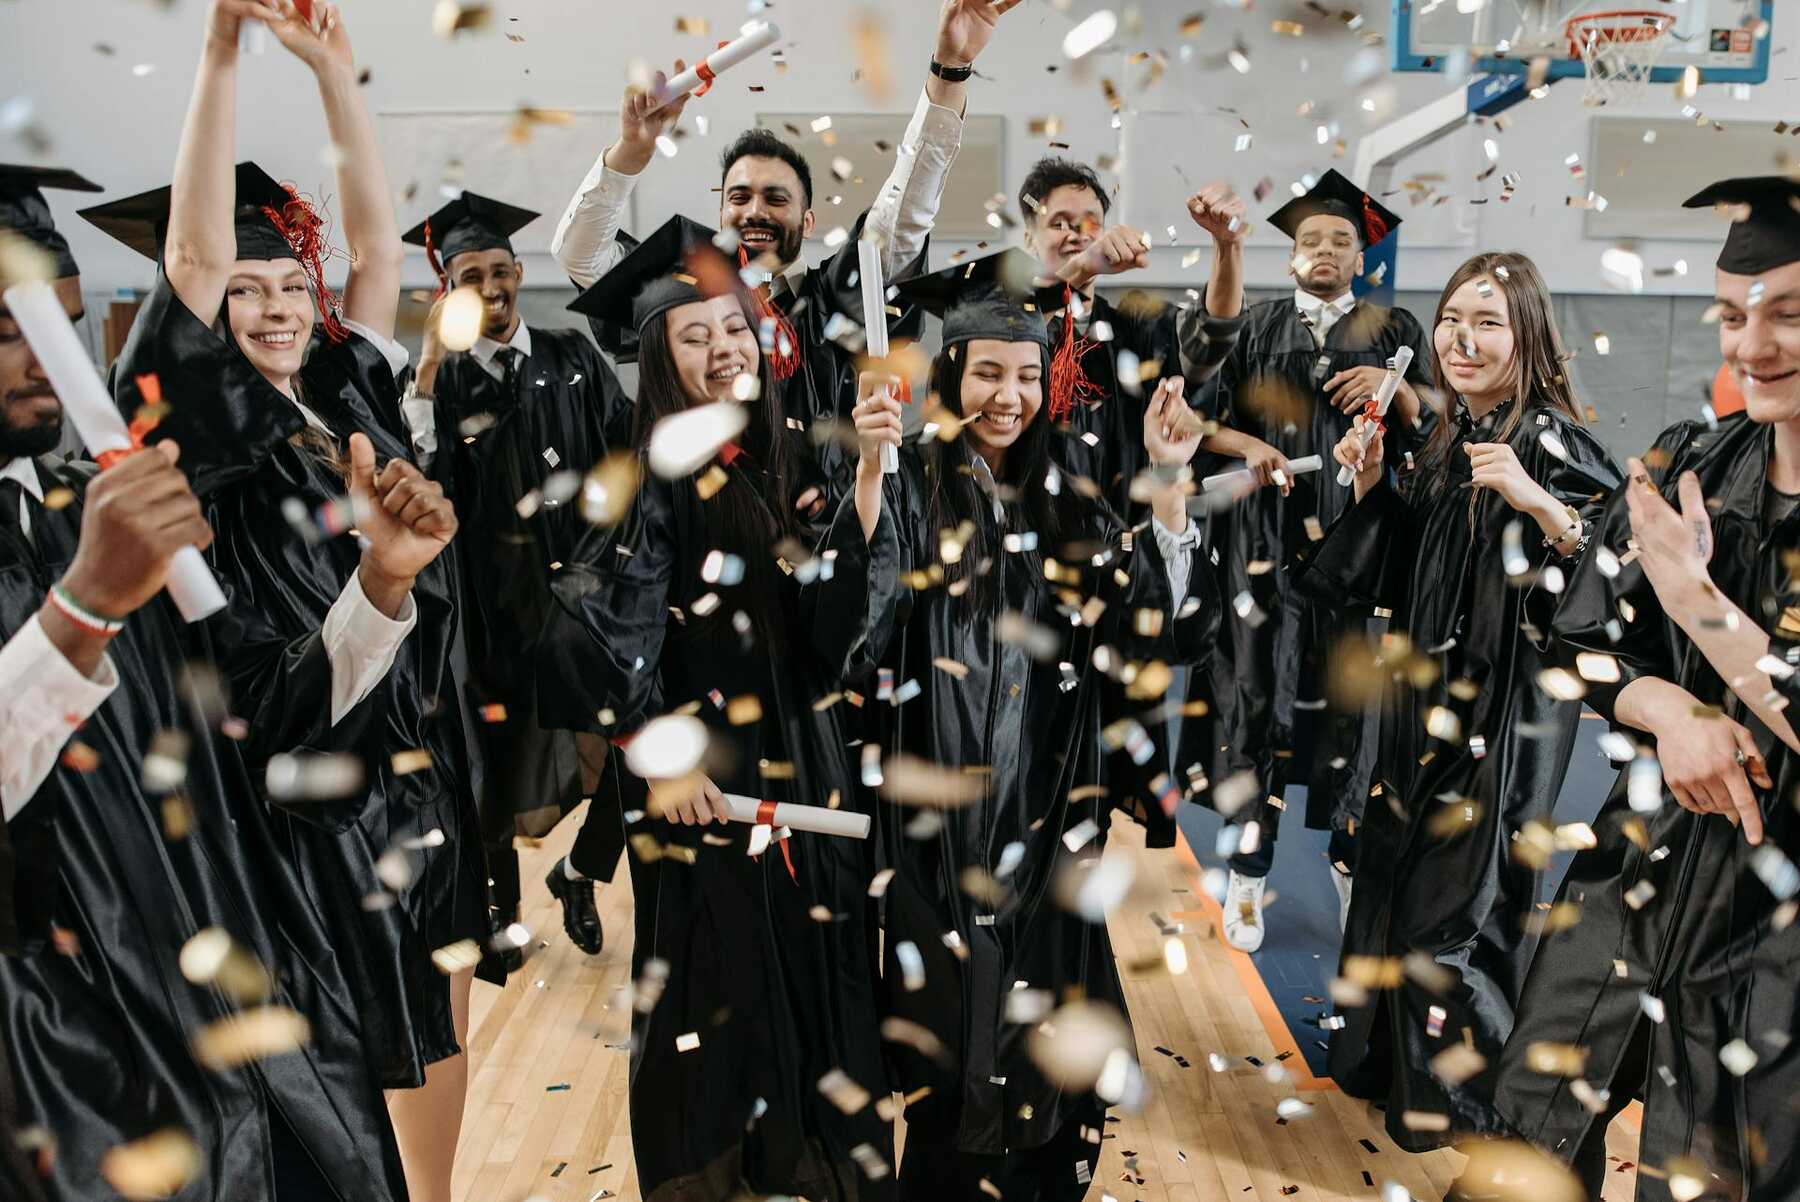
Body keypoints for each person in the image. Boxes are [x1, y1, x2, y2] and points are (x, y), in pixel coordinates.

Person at [82, 4, 480, 1198]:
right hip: (292, 773)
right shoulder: (194, 422)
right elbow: (193, 263)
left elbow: (371, 252)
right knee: (340, 1052)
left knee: (427, 1013)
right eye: (244, 292)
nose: (272, 307)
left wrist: (337, 76)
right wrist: (220, 55)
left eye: (284, 285)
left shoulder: (342, 388)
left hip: (398, 746)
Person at [0, 161, 407, 1199]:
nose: (53, 360)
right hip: (68, 1059)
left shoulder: (85, 506)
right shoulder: (98, 541)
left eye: (66, 321)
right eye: (12, 330)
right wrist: (85, 605)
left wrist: (380, 585)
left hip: (240, 984)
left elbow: (261, 713)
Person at [813, 250, 1227, 1200]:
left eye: (1028, 375)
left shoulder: (1070, 490)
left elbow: (1157, 639)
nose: (1009, 396)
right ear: (952, 375)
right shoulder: (912, 478)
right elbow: (853, 639)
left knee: (1049, 1047)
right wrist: (870, 478)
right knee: (949, 1045)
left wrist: (1170, 484)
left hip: (1050, 818)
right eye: (988, 372)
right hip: (936, 823)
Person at [541, 215, 890, 1200]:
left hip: (800, 745)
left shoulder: (782, 451)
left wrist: (866, 474)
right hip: (704, 774)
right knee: (715, 984)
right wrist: (660, 752)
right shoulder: (644, 473)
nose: (721, 348)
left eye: (732, 329)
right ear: (658, 358)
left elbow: (837, 626)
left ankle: (808, 1172)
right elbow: (595, 627)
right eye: (692, 338)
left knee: (815, 962)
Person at [1486, 177, 1800, 1199]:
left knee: (1709, 1174)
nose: (1752, 346)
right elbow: (1576, 640)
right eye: (1732, 314)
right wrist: (1672, 709)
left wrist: (1695, 601)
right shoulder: (1693, 462)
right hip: (1637, 875)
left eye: (1790, 313)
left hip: (1776, 933)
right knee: (1528, 1140)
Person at [1310, 251, 1621, 1151]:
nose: (1463, 339)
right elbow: (1407, 570)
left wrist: (1541, 505)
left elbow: (1616, 585)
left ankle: (1464, 1111)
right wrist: (1372, 478)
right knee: (1394, 886)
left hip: (1503, 723)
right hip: (1422, 711)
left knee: (1460, 917)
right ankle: (1389, 1074)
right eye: (1452, 319)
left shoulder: (1552, 442)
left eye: (1488, 322)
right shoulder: (1453, 434)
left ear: (1529, 337)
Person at [551, 0, 1018, 496]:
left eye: (776, 199)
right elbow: (581, 258)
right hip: (702, 532)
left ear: (807, 220)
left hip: (831, 535)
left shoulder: (838, 300)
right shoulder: (684, 300)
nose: (755, 212)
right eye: (740, 197)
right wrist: (632, 150)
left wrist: (949, 71)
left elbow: (905, 214)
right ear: (721, 216)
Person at [1198, 168, 1435, 952]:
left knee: (1356, 712)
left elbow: (1439, 429)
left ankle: (1347, 860)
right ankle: (1245, 875)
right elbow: (1200, 423)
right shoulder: (1255, 326)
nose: (1325, 250)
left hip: (1360, 553)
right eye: (1310, 240)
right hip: (1262, 550)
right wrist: (1250, 446)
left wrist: (1395, 392)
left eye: (1341, 240)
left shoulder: (1397, 330)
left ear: (1362, 258)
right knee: (1250, 699)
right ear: (1290, 256)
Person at [402, 191, 634, 957]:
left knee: (631, 743)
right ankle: (501, 915)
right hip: (489, 609)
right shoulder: (440, 383)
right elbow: (419, 476)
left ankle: (582, 869)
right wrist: (432, 366)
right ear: (447, 290)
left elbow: (625, 454)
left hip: (583, 599)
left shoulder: (570, 355)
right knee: (488, 766)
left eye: (502, 270)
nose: (494, 287)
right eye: (471, 275)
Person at [1013, 155, 1248, 513]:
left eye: (1090, 223)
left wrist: (1227, 245)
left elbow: (1210, 337)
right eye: (1059, 223)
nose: (1077, 234)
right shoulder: (1005, 326)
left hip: (1122, 539)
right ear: (1030, 239)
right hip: (1024, 534)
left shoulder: (1133, 329)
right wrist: (1080, 269)